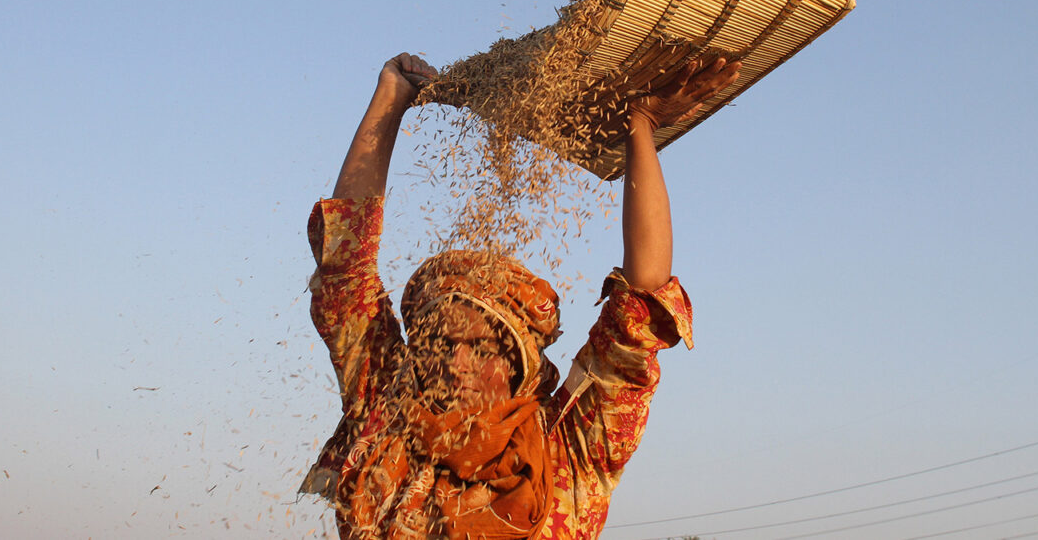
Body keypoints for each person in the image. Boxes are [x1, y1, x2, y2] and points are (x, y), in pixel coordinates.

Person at [300, 52, 742, 539]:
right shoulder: (386, 410)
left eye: (485, 348)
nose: (458, 363)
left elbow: (640, 304)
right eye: (440, 345)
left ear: (520, 367)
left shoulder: (566, 454)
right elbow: (346, 269)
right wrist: (391, 98)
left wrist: (642, 125)